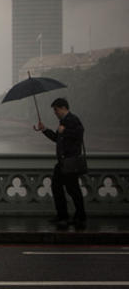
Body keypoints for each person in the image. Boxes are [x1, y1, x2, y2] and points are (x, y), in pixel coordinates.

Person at [33, 98, 86, 230]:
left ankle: (79, 216)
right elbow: (57, 138)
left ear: (63, 108)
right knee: (57, 187)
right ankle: (63, 215)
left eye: (56, 110)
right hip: (63, 161)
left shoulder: (73, 119)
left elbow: (80, 133)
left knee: (72, 189)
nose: (55, 113)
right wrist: (44, 129)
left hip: (70, 160)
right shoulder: (63, 122)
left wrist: (65, 131)